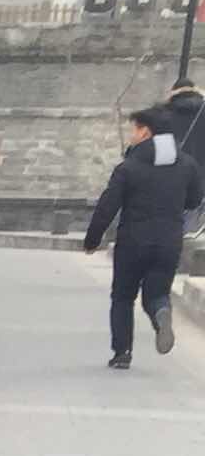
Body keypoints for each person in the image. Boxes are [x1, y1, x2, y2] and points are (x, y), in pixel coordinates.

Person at [85, 101, 205, 369]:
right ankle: (161, 314)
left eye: (134, 129)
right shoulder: (187, 164)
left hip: (133, 242)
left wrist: (92, 240)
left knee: (123, 296)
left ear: (146, 132)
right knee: (157, 293)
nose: (132, 135)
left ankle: (122, 353)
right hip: (169, 242)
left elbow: (108, 206)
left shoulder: (129, 167)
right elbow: (195, 199)